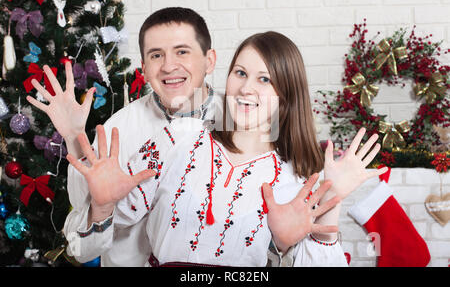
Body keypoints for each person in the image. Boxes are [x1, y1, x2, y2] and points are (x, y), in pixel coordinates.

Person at [66, 31, 388, 266]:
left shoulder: (294, 180)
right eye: (241, 73)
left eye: (265, 79)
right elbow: (91, 244)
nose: (246, 88)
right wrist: (103, 207)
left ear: (286, 96)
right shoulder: (179, 136)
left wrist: (331, 200)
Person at [26, 7, 221, 266]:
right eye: (156, 55)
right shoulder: (119, 128)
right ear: (144, 67)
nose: (168, 66)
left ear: (209, 60)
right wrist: (76, 141)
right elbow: (80, 250)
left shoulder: (245, 123)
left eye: (182, 51)